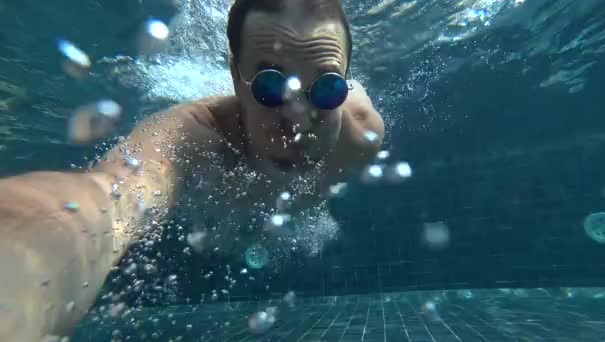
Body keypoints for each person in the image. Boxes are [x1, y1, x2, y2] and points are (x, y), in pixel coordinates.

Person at [0, 0, 384, 340]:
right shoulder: (194, 139)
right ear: (236, 77)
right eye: (270, 85)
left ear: (346, 85)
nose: (297, 117)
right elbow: (111, 196)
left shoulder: (361, 135)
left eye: (327, 88)